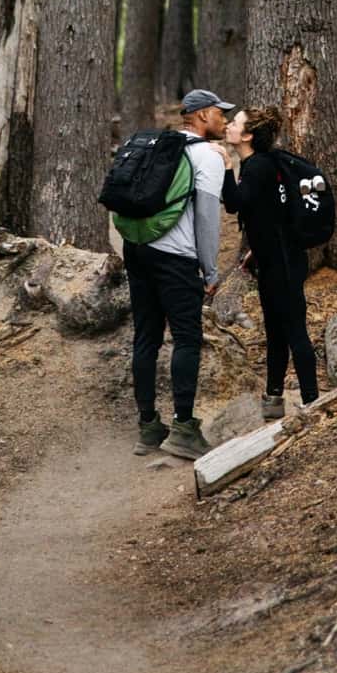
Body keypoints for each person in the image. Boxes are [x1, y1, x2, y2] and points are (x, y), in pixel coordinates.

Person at [128, 88, 231, 460]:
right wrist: (211, 269)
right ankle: (184, 429)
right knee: (187, 338)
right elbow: (206, 219)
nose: (224, 120)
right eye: (220, 113)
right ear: (202, 115)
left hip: (137, 251)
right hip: (176, 257)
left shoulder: (157, 145)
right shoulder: (207, 156)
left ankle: (148, 427)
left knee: (146, 337)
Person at [222, 106, 320, 417]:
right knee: (276, 331)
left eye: (235, 122)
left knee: (294, 331)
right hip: (273, 260)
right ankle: (274, 397)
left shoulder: (257, 166)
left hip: (283, 264)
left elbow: (234, 204)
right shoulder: (261, 164)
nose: (228, 125)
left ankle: (312, 401)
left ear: (248, 135)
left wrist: (225, 167)